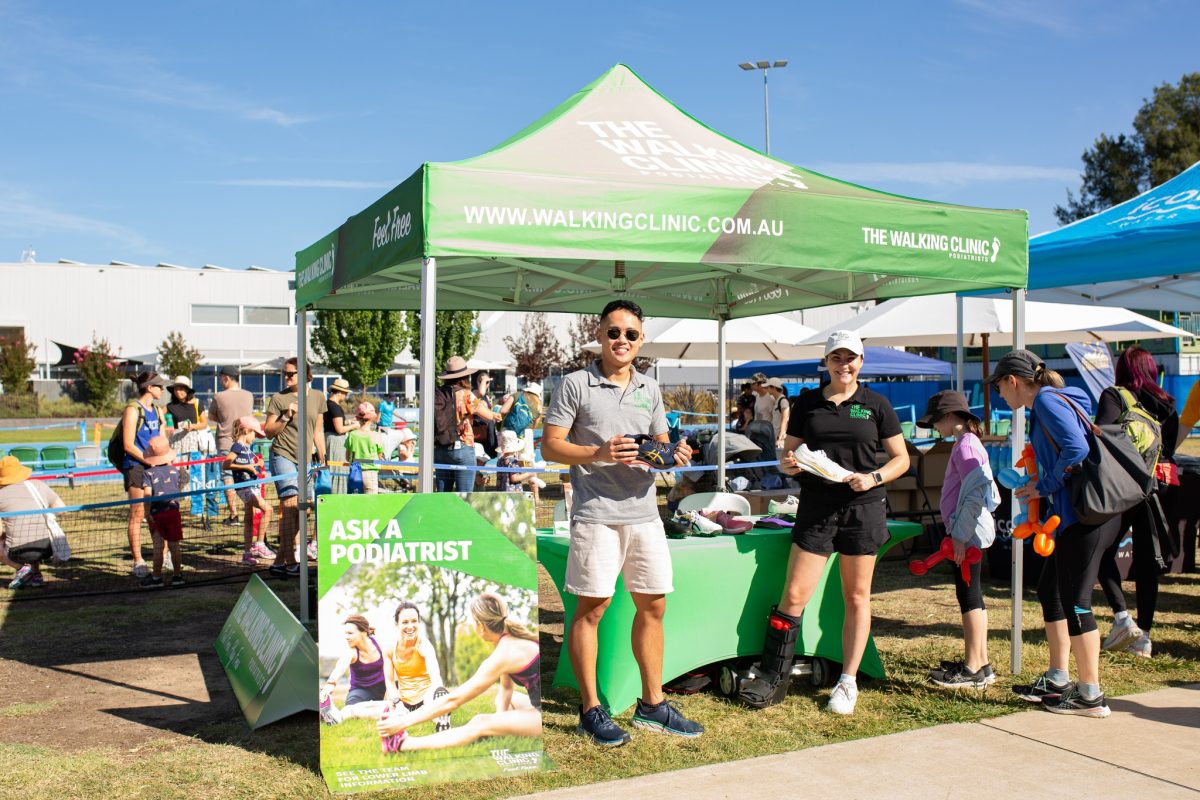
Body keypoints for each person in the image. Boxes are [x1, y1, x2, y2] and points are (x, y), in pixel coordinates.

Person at [541, 299, 701, 746]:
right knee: (592, 611)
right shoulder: (574, 384)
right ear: (600, 335)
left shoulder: (650, 388)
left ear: (641, 340)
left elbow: (660, 443)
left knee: (654, 607)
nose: (622, 341)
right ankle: (590, 709)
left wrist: (675, 454)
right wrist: (597, 453)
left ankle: (653, 705)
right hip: (595, 515)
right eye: (614, 332)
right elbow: (550, 447)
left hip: (645, 514)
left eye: (631, 334)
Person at [738, 331, 909, 715]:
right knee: (795, 595)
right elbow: (789, 452)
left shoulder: (877, 404)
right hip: (816, 506)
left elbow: (901, 459)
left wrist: (874, 477)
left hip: (863, 506)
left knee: (856, 596)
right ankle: (773, 674)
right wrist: (787, 463)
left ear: (861, 362)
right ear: (827, 361)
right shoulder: (808, 402)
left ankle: (847, 682)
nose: (843, 364)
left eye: (851, 358)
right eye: (837, 357)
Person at [991, 349, 1121, 718]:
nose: (1000, 395)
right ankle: (1059, 678)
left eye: (999, 387)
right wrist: (1041, 481)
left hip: (1085, 517)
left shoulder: (1047, 401)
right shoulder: (1054, 399)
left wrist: (1043, 485)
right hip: (1079, 515)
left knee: (1078, 602)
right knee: (1051, 590)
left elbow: (1076, 450)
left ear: (1012, 381)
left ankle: (1091, 695)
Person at [1095, 346, 1179, 659]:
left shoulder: (1114, 397)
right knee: (1148, 561)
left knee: (1102, 549)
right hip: (1162, 485)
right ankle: (1144, 638)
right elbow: (1169, 447)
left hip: (1126, 486)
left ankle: (1122, 617)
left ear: (1122, 370)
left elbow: (1102, 437)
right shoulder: (1167, 403)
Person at [377, 593, 539, 753]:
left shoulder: (502, 655)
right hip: (540, 700)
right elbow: (506, 688)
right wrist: (499, 721)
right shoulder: (511, 640)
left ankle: (402, 744)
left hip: (544, 716)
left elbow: (453, 700)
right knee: (507, 699)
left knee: (480, 722)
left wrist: (402, 722)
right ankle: (501, 726)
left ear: (480, 626)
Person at [916, 391, 1000, 688]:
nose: (935, 427)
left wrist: (961, 536)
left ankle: (973, 666)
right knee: (972, 594)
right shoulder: (969, 444)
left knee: (968, 596)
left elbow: (975, 493)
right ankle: (982, 662)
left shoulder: (965, 447)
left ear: (951, 417)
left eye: (937, 421)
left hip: (967, 532)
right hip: (969, 530)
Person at [264, 357, 327, 577]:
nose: (287, 377)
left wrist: (323, 454)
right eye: (285, 374)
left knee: (304, 508)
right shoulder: (279, 398)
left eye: (291, 373)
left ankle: (279, 561)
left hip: (306, 460)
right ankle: (291, 562)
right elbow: (268, 431)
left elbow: (318, 430)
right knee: (290, 505)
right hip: (283, 455)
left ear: (305, 374)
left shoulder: (318, 397)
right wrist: (284, 417)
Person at [120, 371, 170, 578]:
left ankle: (163, 554)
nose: (163, 390)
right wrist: (147, 460)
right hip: (136, 467)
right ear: (149, 387)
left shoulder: (158, 410)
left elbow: (161, 438)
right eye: (160, 386)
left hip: (156, 466)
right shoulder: (133, 410)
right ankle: (138, 561)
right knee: (138, 514)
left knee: (158, 513)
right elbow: (128, 444)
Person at [0, 455, 65, 589]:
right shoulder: (38, 485)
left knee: (8, 540)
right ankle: (36, 576)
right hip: (47, 547)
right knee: (32, 535)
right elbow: (62, 508)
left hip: (17, 550)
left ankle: (21, 568)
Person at [382, 602, 450, 727]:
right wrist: (398, 704)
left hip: (426, 696)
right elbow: (390, 682)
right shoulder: (389, 648)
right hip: (403, 700)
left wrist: (438, 692)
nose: (410, 626)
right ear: (397, 624)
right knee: (385, 708)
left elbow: (435, 674)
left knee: (430, 703)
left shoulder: (424, 645)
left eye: (414, 621)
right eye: (405, 622)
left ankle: (442, 722)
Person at [320, 615, 391, 724]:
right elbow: (340, 666)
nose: (346, 637)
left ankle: (339, 715)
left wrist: (391, 692)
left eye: (350, 633)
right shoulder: (351, 651)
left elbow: (393, 668)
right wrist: (331, 683)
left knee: (396, 700)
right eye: (346, 633)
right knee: (351, 707)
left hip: (384, 686)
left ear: (363, 632)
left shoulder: (380, 645)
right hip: (361, 690)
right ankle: (331, 714)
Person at [208, 366, 255, 526]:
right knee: (247, 472)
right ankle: (251, 507)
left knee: (228, 477)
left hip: (226, 440)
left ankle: (234, 514)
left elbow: (212, 416)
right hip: (246, 439)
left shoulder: (219, 396)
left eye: (221, 378)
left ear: (226, 378)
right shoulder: (249, 395)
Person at [140, 435, 188, 588]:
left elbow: (147, 495)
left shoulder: (148, 473)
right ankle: (177, 575)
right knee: (175, 545)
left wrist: (147, 513)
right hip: (173, 512)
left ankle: (156, 577)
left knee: (158, 547)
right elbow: (181, 486)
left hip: (157, 514)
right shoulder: (175, 472)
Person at [433, 356, 486, 494]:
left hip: (440, 448)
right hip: (462, 446)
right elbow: (484, 413)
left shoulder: (439, 393)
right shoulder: (466, 394)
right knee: (464, 497)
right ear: (465, 376)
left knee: (443, 499)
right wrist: (497, 415)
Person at [226, 415, 274, 566]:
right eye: (254, 434)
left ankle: (247, 553)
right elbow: (226, 464)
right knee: (268, 510)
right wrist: (247, 467)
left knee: (249, 519)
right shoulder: (238, 446)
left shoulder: (247, 448)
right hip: (244, 486)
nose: (255, 438)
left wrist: (256, 464)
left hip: (251, 484)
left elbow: (248, 464)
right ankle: (259, 543)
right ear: (246, 430)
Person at [346, 402, 386, 494]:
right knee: (370, 503)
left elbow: (347, 457)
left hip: (355, 473)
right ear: (372, 418)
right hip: (371, 473)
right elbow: (379, 456)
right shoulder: (376, 436)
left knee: (355, 502)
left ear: (358, 417)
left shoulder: (352, 435)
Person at [165, 375, 209, 456]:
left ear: (187, 390)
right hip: (176, 444)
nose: (178, 392)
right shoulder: (169, 406)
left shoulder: (197, 403)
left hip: (194, 444)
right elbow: (160, 417)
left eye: (181, 389)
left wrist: (192, 426)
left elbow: (204, 424)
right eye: (176, 389)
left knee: (194, 467)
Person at [496, 429, 545, 499]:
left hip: (501, 492)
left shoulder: (500, 460)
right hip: (513, 494)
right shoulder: (513, 461)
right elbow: (514, 478)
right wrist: (529, 474)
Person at [764, 377, 791, 449]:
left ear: (773, 388)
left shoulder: (783, 401)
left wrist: (780, 438)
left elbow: (785, 420)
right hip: (776, 435)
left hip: (780, 438)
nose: (766, 389)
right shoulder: (777, 400)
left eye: (768, 387)